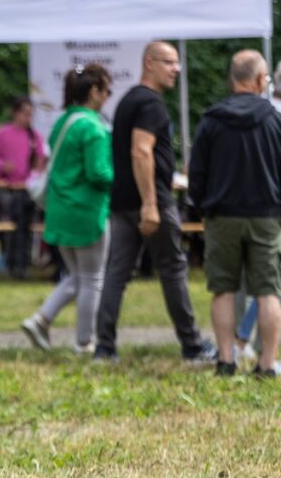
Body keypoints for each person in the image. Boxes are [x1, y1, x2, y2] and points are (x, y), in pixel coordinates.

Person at [94, 41, 215, 363]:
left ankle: (104, 348)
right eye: (169, 62)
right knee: (173, 269)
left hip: (122, 201)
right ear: (149, 63)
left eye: (177, 62)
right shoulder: (151, 103)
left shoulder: (127, 101)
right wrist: (150, 203)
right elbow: (140, 151)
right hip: (152, 203)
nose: (176, 68)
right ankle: (192, 346)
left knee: (116, 274)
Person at [188, 49, 281, 377]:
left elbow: (196, 172)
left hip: (222, 215)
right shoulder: (274, 119)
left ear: (232, 79)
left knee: (223, 289)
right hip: (266, 216)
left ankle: (226, 360)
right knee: (268, 290)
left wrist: (202, 205)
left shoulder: (212, 119)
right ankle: (266, 363)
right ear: (259, 79)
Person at [21, 65, 114, 353]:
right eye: (107, 91)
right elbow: (99, 173)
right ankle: (85, 342)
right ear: (94, 92)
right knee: (92, 280)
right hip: (86, 211)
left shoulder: (63, 121)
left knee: (77, 277)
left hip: (60, 210)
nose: (108, 97)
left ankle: (41, 319)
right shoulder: (94, 127)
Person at [0, 96, 47, 279]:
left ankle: (21, 264)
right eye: (25, 113)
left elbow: (42, 161)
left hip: (28, 190)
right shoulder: (3, 133)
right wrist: (3, 166)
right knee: (20, 216)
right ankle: (18, 264)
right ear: (15, 113)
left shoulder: (34, 136)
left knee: (25, 216)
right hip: (8, 190)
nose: (28, 117)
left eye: (31, 114)